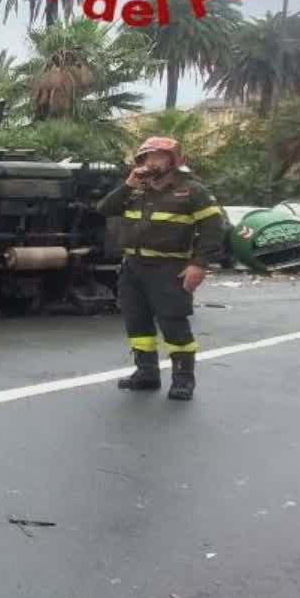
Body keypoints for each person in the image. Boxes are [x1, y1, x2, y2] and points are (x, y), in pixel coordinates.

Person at [96, 136, 227, 400]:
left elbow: (214, 229)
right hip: (133, 266)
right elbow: (104, 209)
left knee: (173, 322)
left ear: (173, 159)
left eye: (157, 156)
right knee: (137, 322)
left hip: (168, 268)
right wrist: (128, 184)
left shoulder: (192, 190)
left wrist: (199, 264)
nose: (150, 162)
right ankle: (146, 374)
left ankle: (183, 379)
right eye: (146, 157)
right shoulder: (136, 188)